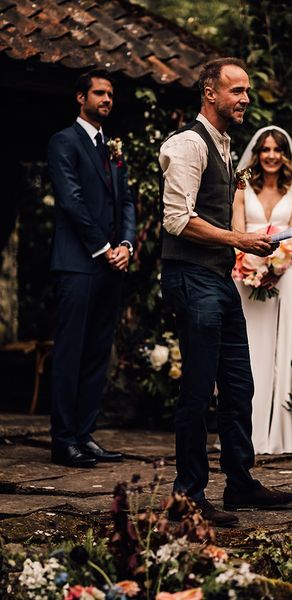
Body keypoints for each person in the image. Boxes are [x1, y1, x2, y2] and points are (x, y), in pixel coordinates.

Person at [159, 58, 292, 527]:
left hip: (218, 280)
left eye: (246, 91)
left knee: (240, 386)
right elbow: (176, 219)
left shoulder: (223, 145)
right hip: (190, 278)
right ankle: (188, 494)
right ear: (209, 92)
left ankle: (240, 483)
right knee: (198, 391)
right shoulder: (186, 144)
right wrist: (239, 240)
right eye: (236, 90)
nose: (244, 98)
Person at [48, 69, 136, 468]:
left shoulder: (112, 147)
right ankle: (63, 440)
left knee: (99, 353)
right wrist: (104, 248)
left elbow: (128, 202)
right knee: (70, 352)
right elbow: (71, 200)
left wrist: (127, 245)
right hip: (77, 264)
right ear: (80, 97)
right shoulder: (63, 142)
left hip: (112, 265)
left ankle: (85, 435)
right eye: (99, 93)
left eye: (110, 94)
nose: (107, 99)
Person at [233, 126, 292, 454]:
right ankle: (243, 431)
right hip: (245, 274)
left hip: (284, 275)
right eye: (264, 149)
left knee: (282, 348)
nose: (269, 155)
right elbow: (235, 230)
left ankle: (279, 433)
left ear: (284, 154)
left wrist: (276, 267)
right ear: (257, 153)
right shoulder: (241, 185)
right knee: (247, 350)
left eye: (276, 150)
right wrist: (249, 264)